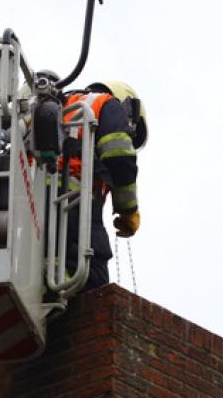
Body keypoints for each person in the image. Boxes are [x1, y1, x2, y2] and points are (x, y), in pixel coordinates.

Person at [59, 79, 147, 291]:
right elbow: (119, 156)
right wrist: (128, 211)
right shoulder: (106, 104)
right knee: (93, 280)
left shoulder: (60, 105)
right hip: (72, 205)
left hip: (26, 203)